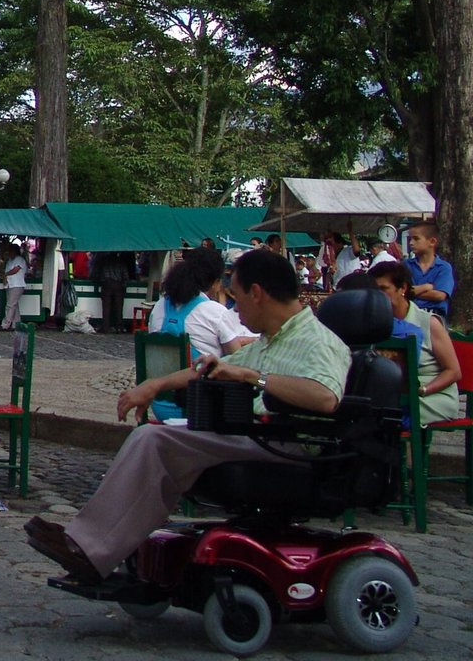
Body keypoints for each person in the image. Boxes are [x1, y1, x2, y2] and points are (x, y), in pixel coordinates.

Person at [23, 250, 351, 583]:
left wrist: (254, 378)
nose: (235, 309)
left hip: (288, 444)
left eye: (236, 298)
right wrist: (155, 385)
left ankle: (91, 548)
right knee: (156, 436)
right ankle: (105, 545)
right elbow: (208, 369)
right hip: (259, 437)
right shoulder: (271, 341)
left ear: (257, 293)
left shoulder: (318, 342)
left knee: (155, 440)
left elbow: (325, 398)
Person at [144, 251, 255, 420]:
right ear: (215, 283)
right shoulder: (214, 311)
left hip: (160, 404)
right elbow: (237, 356)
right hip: (199, 405)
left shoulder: (159, 307)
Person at [370, 260, 462, 424]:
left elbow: (453, 371)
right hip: (394, 395)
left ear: (403, 288)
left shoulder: (428, 322)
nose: (378, 295)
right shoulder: (376, 322)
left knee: (389, 414)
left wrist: (422, 390)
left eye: (383, 289)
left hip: (432, 396)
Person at [404, 220, 453, 319]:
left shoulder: (443, 267)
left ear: (432, 242)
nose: (411, 243)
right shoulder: (405, 266)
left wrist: (412, 292)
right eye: (410, 239)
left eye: (416, 239)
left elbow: (440, 296)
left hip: (435, 316)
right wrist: (426, 287)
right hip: (410, 315)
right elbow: (401, 292)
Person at [94, 252, 132, 333]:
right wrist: (123, 285)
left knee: (106, 307)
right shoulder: (121, 262)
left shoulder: (104, 262)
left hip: (107, 284)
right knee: (119, 307)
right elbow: (126, 276)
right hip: (119, 285)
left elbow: (99, 274)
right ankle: (119, 327)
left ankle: (105, 327)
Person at [0, 240, 27, 330]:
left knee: (10, 305)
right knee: (14, 305)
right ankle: (16, 323)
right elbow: (5, 272)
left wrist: (6, 274)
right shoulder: (10, 261)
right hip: (10, 285)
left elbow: (15, 270)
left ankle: (5, 324)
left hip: (17, 285)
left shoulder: (19, 259)